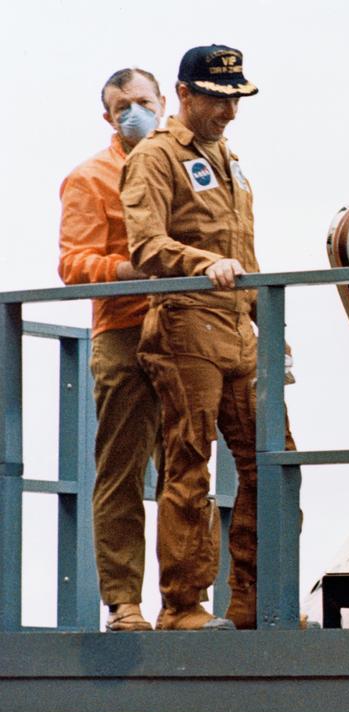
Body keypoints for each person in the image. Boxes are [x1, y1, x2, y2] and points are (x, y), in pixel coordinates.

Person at [121, 44, 292, 630]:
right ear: (186, 94)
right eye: (218, 98)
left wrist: (270, 323)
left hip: (237, 325)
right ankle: (182, 605)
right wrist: (201, 261)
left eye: (235, 98)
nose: (229, 111)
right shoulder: (156, 157)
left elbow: (242, 250)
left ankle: (252, 598)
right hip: (185, 318)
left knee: (274, 459)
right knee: (190, 460)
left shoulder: (229, 159)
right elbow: (145, 245)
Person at [58, 67, 168, 632]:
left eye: (143, 101)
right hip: (125, 333)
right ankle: (124, 602)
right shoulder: (90, 177)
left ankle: (184, 602)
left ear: (164, 101)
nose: (134, 112)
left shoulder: (192, 166)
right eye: (122, 105)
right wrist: (128, 269)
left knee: (188, 473)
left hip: (189, 330)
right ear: (108, 116)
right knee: (121, 473)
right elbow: (73, 263)